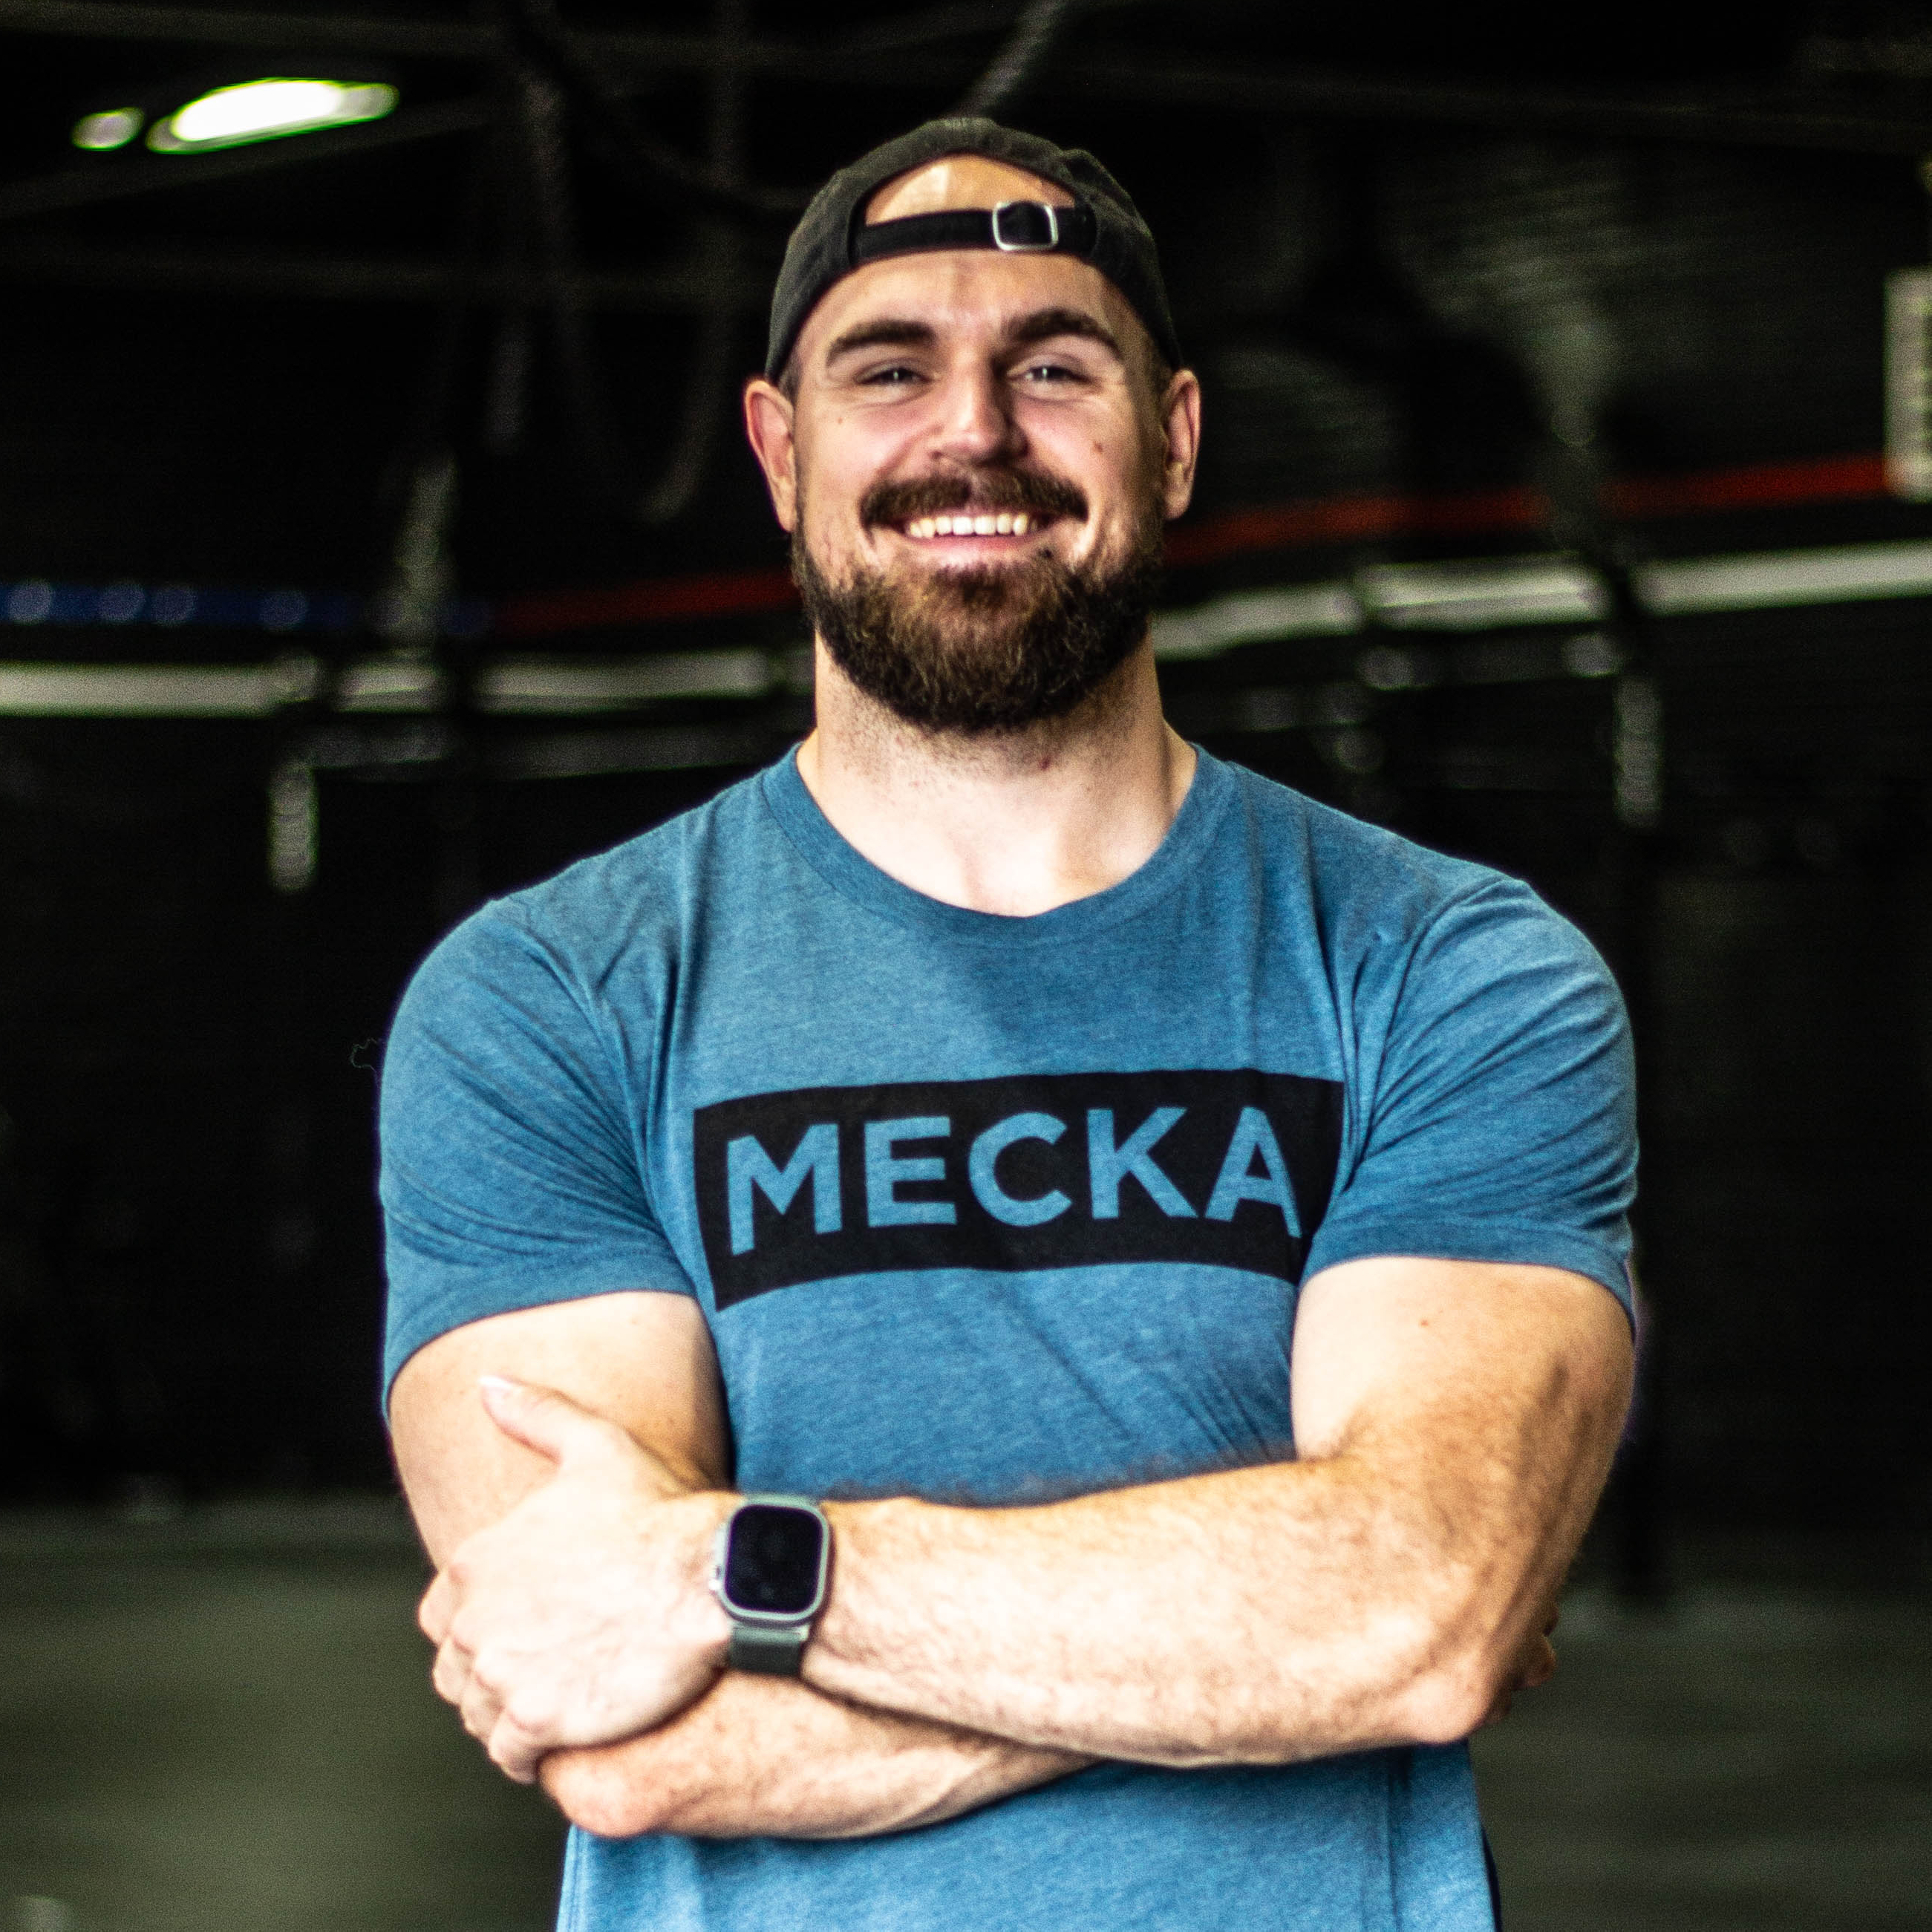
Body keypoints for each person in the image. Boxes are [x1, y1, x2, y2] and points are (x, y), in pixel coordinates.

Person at [380, 117, 1636, 1932]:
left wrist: (736, 1567)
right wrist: (1285, 1632)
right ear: (779, 449)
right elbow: (621, 1734)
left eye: (1052, 366)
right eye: (888, 369)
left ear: (1174, 437)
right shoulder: (546, 997)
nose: (970, 432)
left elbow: (1415, 1609)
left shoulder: (1446, 968)